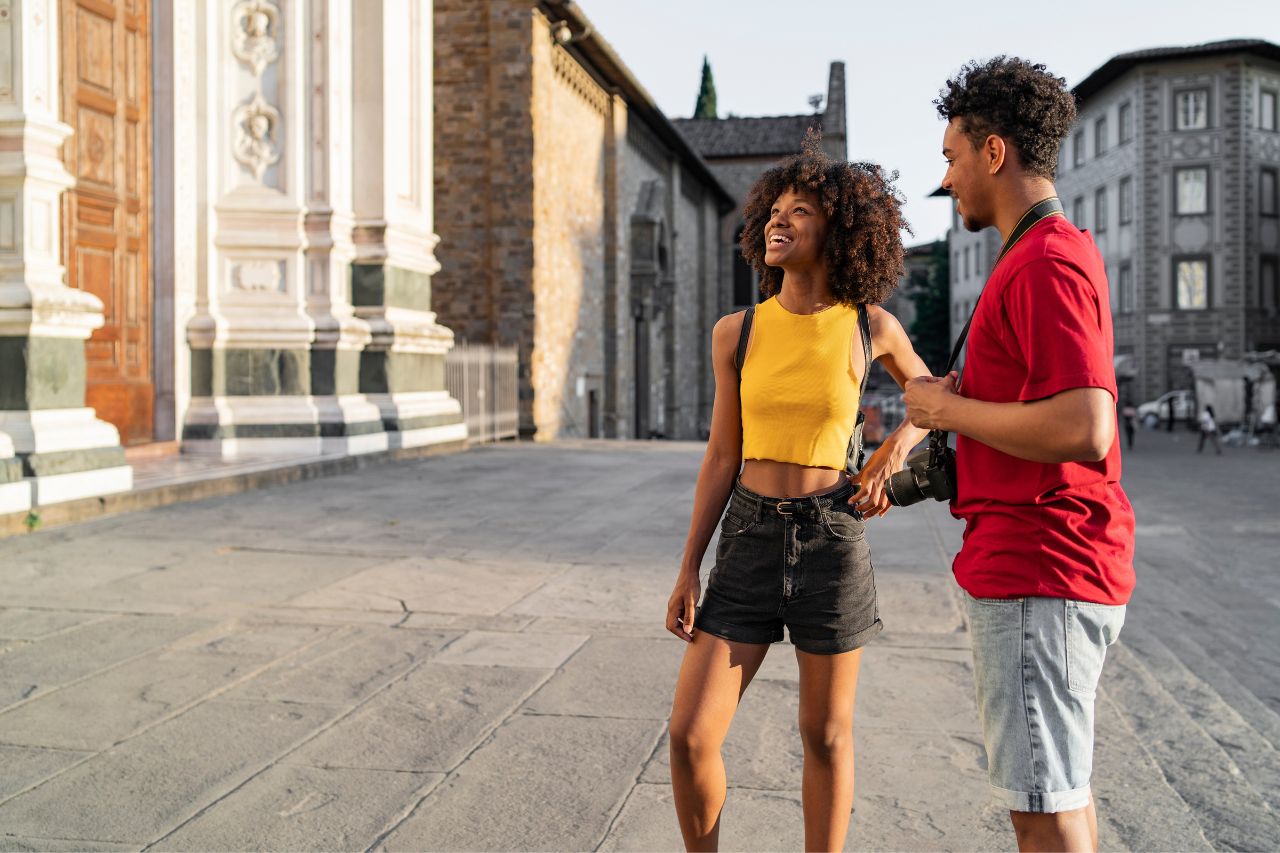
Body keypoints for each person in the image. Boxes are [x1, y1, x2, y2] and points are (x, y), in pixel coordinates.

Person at [664, 134, 931, 852]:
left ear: (838, 228)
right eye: (773, 210)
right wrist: (690, 564)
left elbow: (938, 396)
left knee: (826, 736)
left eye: (801, 209)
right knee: (690, 736)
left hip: (832, 542)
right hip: (747, 539)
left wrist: (891, 452)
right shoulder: (737, 331)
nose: (780, 220)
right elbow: (723, 453)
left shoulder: (869, 324)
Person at [904, 57, 1135, 853]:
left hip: (1041, 568)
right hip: (1045, 567)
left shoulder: (1044, 261)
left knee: (1043, 813)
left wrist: (944, 407)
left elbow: (1086, 424)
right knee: (1060, 795)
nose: (948, 177)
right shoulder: (1046, 254)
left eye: (951, 156)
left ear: (993, 153)